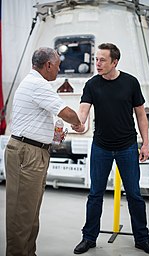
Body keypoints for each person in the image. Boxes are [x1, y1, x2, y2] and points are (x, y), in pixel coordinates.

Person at [72, 43, 149, 256]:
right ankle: (89, 238)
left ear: (114, 62)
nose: (98, 64)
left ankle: (142, 238)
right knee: (95, 195)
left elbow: (140, 115)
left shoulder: (130, 83)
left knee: (135, 195)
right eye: (96, 59)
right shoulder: (92, 85)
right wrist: (78, 124)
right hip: (101, 147)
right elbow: (83, 111)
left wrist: (145, 143)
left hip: (127, 146)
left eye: (102, 60)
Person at [5, 47, 82, 256]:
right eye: (57, 66)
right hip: (27, 153)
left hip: (33, 151)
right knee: (21, 213)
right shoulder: (38, 84)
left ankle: (29, 252)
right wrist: (78, 123)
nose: (59, 70)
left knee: (30, 211)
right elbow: (66, 112)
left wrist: (52, 134)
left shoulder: (34, 84)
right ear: (48, 65)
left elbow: (44, 118)